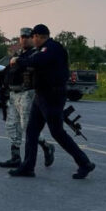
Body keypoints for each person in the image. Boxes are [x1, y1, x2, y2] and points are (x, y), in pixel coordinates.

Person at [8, 24, 95, 179]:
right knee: (32, 131)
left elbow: (38, 60)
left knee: (57, 133)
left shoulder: (52, 48)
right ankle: (28, 167)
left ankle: (84, 163)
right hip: (41, 95)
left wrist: (19, 61)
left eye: (33, 37)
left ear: (40, 36)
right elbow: (33, 59)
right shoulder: (42, 49)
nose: (32, 40)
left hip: (52, 96)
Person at [0, 28, 55, 168]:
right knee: (12, 126)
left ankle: (46, 146)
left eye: (28, 37)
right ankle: (15, 157)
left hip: (27, 94)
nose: (24, 39)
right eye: (22, 37)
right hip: (13, 94)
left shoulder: (35, 55)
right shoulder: (18, 55)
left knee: (27, 126)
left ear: (33, 38)